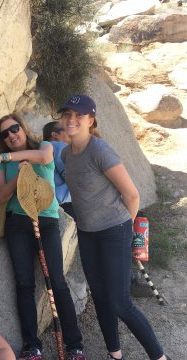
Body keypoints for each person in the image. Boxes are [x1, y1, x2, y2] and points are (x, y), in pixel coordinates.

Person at [58, 94, 171, 360]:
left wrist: (124, 231)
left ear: (91, 120)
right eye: (67, 114)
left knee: (120, 303)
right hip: (87, 234)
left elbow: (131, 195)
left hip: (113, 231)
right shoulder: (66, 153)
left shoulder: (100, 150)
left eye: (79, 115)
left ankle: (160, 357)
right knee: (99, 296)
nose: (71, 119)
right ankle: (114, 353)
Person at [0, 114, 85, 360]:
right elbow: (0, 197)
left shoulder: (44, 146)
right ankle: (32, 346)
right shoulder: (2, 168)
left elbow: (45, 159)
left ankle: (75, 346)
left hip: (46, 221)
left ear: (23, 128)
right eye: (5, 134)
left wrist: (3, 156)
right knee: (24, 283)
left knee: (57, 282)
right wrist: (20, 176)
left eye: (14, 128)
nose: (11, 135)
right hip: (17, 224)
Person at [42, 121, 76, 220]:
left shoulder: (44, 149)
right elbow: (70, 173)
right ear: (55, 135)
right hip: (67, 202)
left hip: (55, 202)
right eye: (65, 129)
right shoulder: (59, 146)